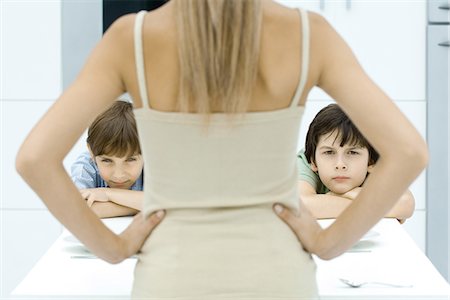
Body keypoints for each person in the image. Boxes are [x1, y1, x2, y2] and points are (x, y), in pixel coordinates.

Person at [16, 0, 428, 299]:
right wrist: (330, 243)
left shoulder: (133, 38)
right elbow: (408, 151)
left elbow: (35, 159)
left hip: (171, 281)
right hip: (278, 280)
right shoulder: (308, 34)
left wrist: (113, 248)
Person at [298, 104, 415, 223]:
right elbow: (299, 206)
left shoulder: (380, 161)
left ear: (372, 161)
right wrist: (368, 202)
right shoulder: (307, 158)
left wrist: (329, 201)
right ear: (313, 161)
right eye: (329, 152)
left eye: (352, 152)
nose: (340, 164)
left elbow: (405, 203)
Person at [70, 100, 144, 218]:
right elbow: (78, 211)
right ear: (91, 152)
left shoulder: (154, 165)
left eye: (130, 160)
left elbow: (170, 202)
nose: (118, 175)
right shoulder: (85, 168)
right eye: (107, 161)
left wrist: (107, 194)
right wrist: (143, 206)